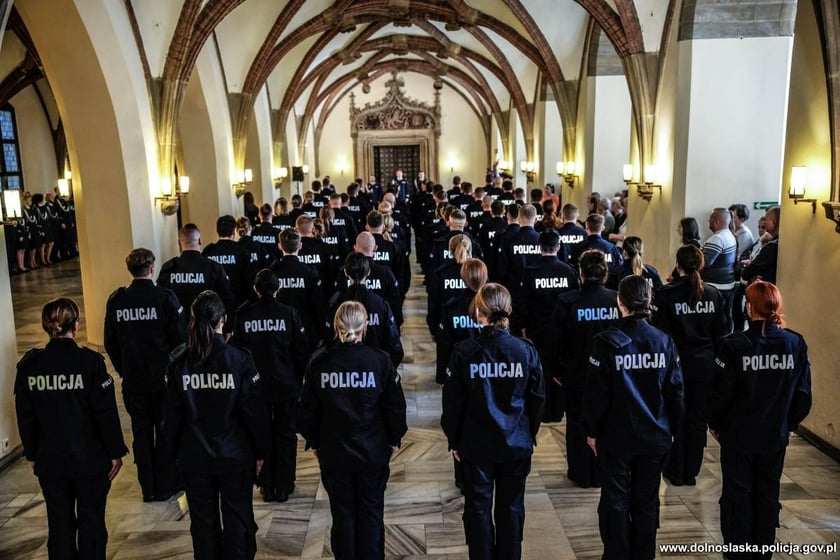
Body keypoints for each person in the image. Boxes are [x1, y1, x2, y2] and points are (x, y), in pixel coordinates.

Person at [15, 298, 128, 559]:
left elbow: (26, 417)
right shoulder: (90, 363)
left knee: (59, 524)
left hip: (51, 459)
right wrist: (115, 451)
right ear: (75, 327)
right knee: (91, 525)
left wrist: (32, 454)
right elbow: (105, 413)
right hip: (89, 459)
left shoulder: (30, 367)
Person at [706, 281, 811, 559]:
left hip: (739, 435)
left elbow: (719, 394)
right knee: (767, 493)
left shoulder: (732, 345)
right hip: (774, 435)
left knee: (737, 495)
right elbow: (803, 395)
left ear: (748, 307)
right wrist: (788, 424)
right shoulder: (794, 343)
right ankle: (763, 548)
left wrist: (715, 423)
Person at [441, 283, 545, 560]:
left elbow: (452, 404)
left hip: (476, 445)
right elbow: (537, 400)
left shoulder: (464, 351)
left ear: (478, 312)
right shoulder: (525, 351)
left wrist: (454, 439)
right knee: (511, 508)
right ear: (509, 311)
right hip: (515, 442)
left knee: (477, 507)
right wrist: (528, 433)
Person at [584, 275, 684, 560]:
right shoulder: (664, 341)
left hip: (616, 436)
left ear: (620, 302)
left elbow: (596, 395)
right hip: (655, 436)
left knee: (615, 499)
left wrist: (592, 430)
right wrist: (674, 430)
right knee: (646, 499)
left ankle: (616, 553)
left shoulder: (606, 342)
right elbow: (675, 392)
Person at [298, 301, 407, 560]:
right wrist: (393, 441)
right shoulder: (379, 361)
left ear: (336, 327)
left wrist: (315, 443)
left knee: (343, 514)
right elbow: (395, 408)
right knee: (371, 513)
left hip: (335, 452)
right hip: (372, 452)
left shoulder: (319, 362)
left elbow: (306, 412)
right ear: (365, 327)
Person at [164, 290, 270, 560]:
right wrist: (261, 451)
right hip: (234, 454)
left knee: (203, 523)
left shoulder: (179, 362)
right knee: (238, 520)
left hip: (194, 455)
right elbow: (253, 413)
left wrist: (172, 455)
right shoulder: (239, 359)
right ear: (223, 319)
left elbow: (172, 417)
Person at [104, 248, 186, 502]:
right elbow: (180, 340)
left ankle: (147, 488)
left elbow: (110, 341)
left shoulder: (117, 301)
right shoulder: (164, 297)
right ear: (151, 268)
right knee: (164, 430)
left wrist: (122, 368)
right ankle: (164, 485)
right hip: (162, 379)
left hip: (134, 379)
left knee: (140, 433)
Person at [231, 269, 308, 503]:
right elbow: (301, 351)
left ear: (255, 289)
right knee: (285, 434)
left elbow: (237, 353)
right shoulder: (289, 314)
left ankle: (265, 483)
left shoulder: (243, 316)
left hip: (255, 387)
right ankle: (284, 484)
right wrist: (298, 378)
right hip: (286, 384)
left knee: (260, 433)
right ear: (278, 289)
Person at [652, 245, 727, 486]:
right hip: (705, 365)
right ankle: (691, 470)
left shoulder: (667, 294)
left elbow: (659, 334)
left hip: (676, 364)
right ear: (702, 265)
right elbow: (722, 333)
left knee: (676, 416)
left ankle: (675, 467)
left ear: (678, 264)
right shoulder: (714, 294)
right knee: (697, 419)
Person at [550, 249, 620, 487]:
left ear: (580, 272)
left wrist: (556, 372)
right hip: (612, 376)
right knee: (608, 421)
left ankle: (580, 472)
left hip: (576, 374)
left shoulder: (568, 301)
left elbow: (555, 342)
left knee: (577, 425)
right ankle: (603, 471)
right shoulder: (616, 300)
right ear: (605, 273)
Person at [326, 253, 403, 368]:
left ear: (346, 273)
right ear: (368, 272)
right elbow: (393, 343)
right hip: (374, 366)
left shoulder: (336, 304)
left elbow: (328, 339)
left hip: (341, 366)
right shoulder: (380, 304)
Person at [157, 223, 235, 323]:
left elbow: (160, 300)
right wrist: (228, 326)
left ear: (179, 243)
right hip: (207, 327)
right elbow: (227, 298)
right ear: (200, 241)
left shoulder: (168, 268)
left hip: (176, 328)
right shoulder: (213, 267)